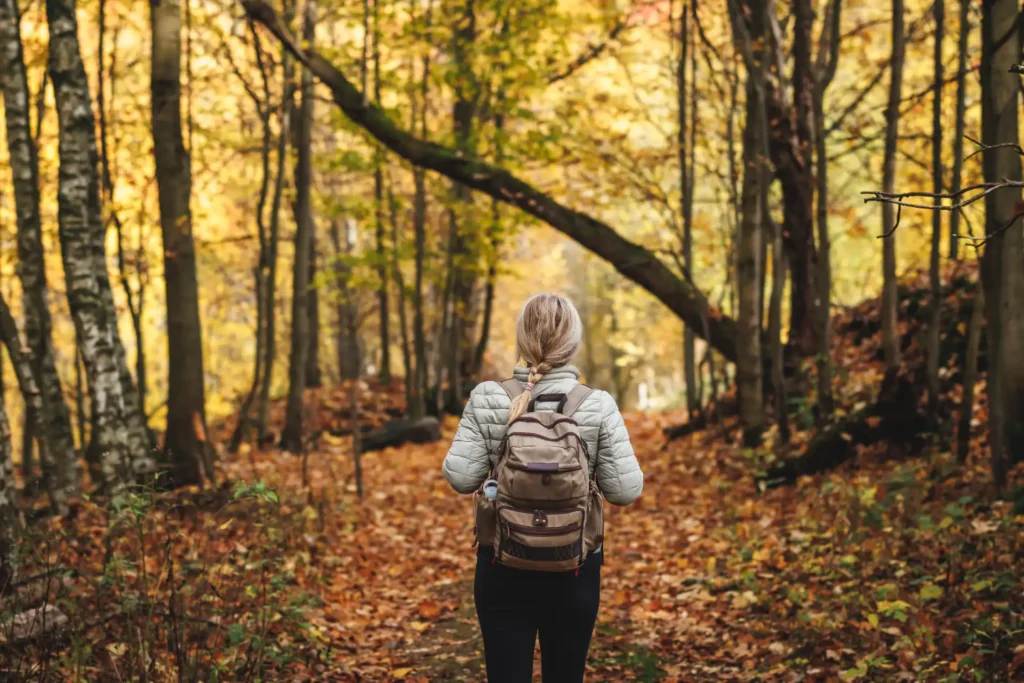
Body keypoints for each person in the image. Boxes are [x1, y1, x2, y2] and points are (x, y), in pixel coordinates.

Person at [442, 292, 644, 683]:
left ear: (522, 338)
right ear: (573, 342)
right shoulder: (597, 404)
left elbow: (461, 477)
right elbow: (625, 490)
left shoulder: (489, 397)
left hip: (502, 562)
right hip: (575, 566)